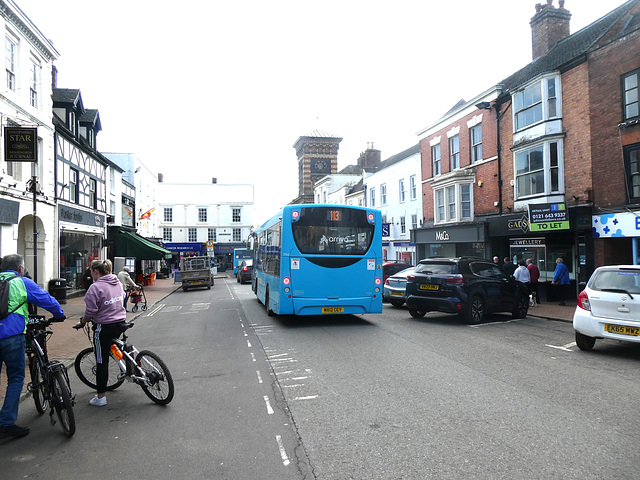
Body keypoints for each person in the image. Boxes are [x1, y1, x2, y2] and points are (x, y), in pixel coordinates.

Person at [0, 254, 65, 439]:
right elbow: (46, 299)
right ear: (20, 269)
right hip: (12, 336)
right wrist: (59, 314)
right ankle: (5, 423)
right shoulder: (21, 282)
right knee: (15, 377)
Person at [75, 259, 126, 407]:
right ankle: (128, 365)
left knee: (101, 361)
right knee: (115, 345)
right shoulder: (116, 282)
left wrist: (83, 322)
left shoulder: (95, 287)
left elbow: (90, 311)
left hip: (103, 326)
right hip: (120, 322)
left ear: (95, 272)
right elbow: (122, 297)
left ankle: (101, 397)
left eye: (91, 272)